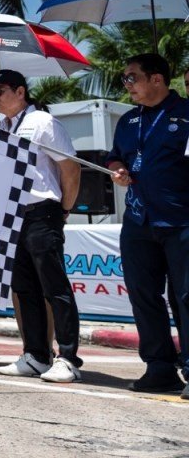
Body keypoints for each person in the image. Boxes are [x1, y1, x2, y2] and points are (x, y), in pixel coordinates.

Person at [0, 69, 83, 383]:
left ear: (21, 92)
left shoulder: (42, 122)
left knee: (55, 287)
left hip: (43, 211)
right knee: (24, 289)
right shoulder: (4, 127)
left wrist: (63, 209)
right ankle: (36, 355)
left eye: (0, 90)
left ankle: (67, 357)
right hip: (14, 215)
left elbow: (70, 168)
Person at [107, 53, 189, 397]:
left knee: (186, 296)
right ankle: (159, 367)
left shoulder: (186, 114)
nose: (126, 85)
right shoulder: (128, 120)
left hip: (181, 219)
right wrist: (117, 168)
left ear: (157, 79)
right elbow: (115, 155)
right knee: (143, 295)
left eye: (131, 78)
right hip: (138, 222)